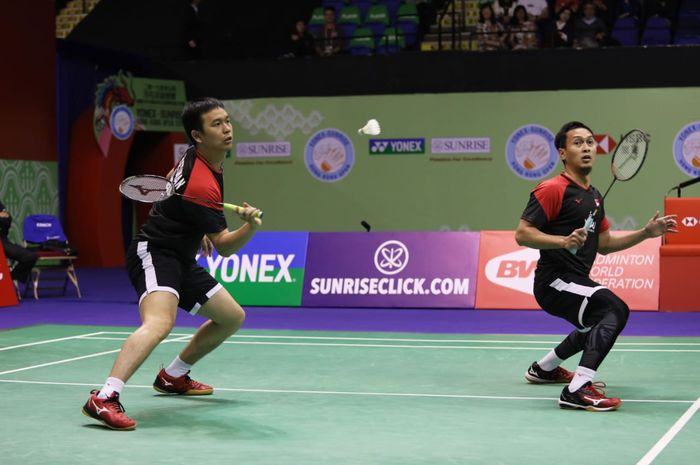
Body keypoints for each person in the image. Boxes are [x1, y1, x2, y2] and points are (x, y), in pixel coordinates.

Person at [82, 97, 262, 430]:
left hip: (181, 256)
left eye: (227, 121)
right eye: (216, 124)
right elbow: (224, 248)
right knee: (159, 323)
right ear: (197, 135)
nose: (226, 129)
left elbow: (169, 181)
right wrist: (250, 227)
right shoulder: (202, 183)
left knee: (231, 317)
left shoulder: (197, 159)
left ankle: (173, 376)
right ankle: (104, 397)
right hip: (155, 252)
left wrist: (197, 225)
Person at [515, 121, 677, 411]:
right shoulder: (553, 188)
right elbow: (522, 234)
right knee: (614, 309)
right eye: (578, 143)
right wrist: (563, 241)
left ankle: (544, 368)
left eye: (590, 142)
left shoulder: (595, 195)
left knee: (600, 319)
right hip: (555, 281)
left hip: (575, 278)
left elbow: (603, 244)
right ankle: (576, 390)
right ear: (563, 153)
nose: (587, 147)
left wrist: (645, 233)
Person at [0, 200, 38, 286]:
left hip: (2, 242)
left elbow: (7, 220)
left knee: (30, 257)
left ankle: (9, 279)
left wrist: (3, 217)